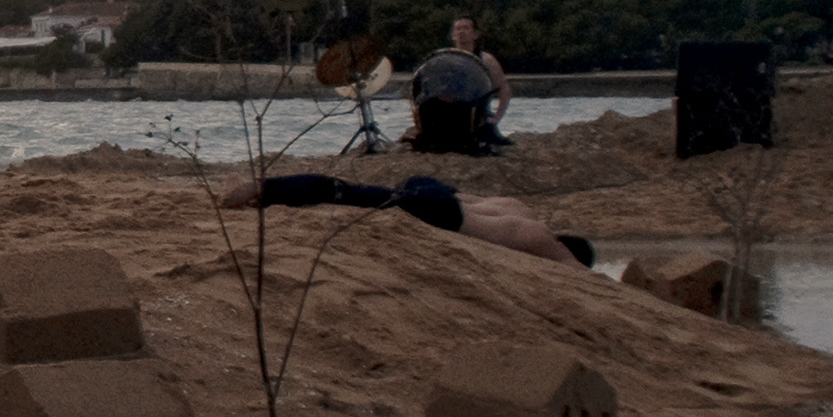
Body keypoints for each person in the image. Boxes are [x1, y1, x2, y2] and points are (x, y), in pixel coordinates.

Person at [226, 171, 597, 269]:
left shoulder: (516, 207)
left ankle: (267, 187)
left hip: (440, 192)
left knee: (363, 192)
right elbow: (575, 270)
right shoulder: (540, 238)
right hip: (446, 213)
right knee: (346, 194)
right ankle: (264, 188)